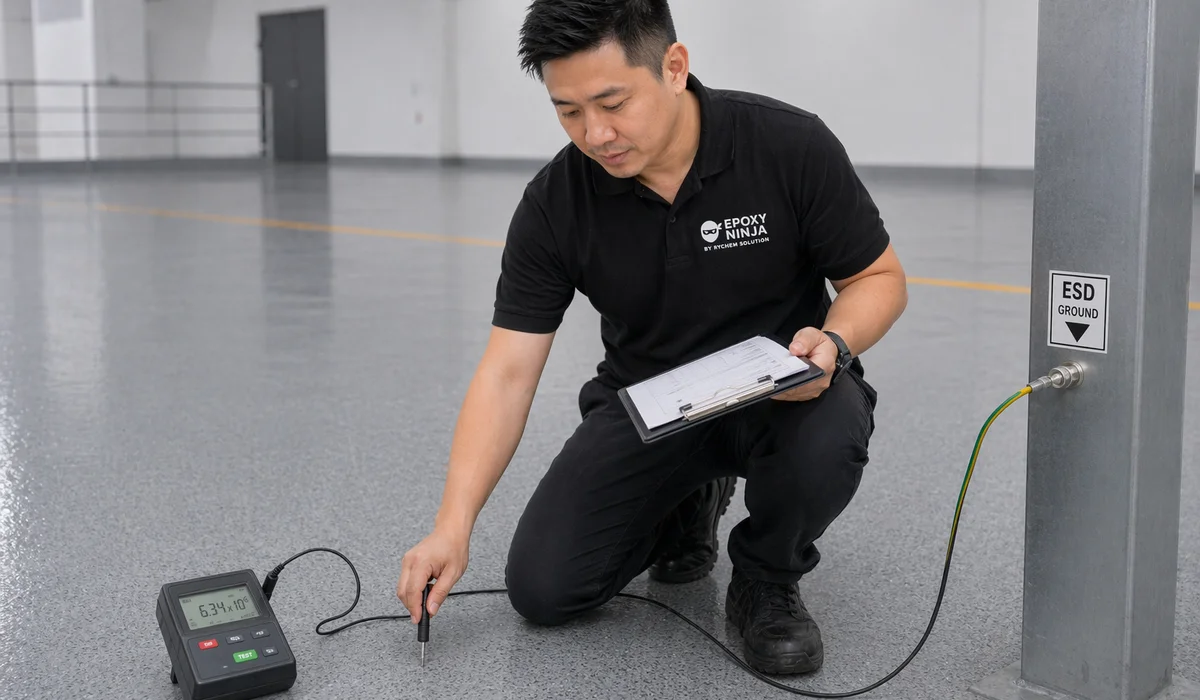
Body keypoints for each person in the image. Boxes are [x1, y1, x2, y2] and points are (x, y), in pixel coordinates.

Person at [397, 0, 908, 675]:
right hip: (651, 408)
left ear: (674, 66)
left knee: (832, 430)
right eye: (568, 110)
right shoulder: (557, 202)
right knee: (545, 589)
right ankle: (687, 503)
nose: (596, 133)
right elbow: (507, 373)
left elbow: (879, 277)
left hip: (785, 398)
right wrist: (452, 524)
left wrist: (835, 343)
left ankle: (765, 578)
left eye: (612, 102)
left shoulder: (787, 144)